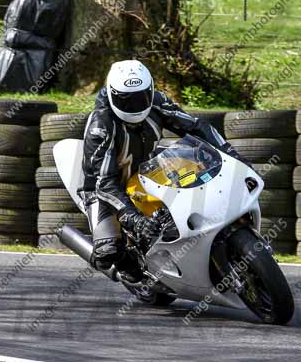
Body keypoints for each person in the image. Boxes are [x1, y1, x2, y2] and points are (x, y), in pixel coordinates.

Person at [77, 60, 246, 278]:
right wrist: (133, 218)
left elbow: (195, 127)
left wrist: (233, 155)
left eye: (141, 97)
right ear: (111, 93)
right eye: (126, 100)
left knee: (198, 173)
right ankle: (132, 271)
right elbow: (105, 182)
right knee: (108, 251)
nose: (135, 106)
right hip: (105, 187)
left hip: (148, 169)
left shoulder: (157, 102)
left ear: (150, 90)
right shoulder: (101, 126)